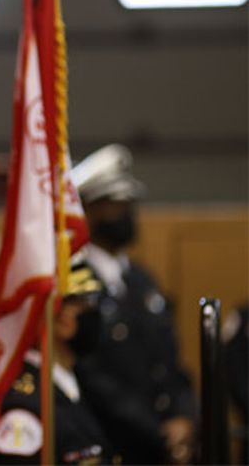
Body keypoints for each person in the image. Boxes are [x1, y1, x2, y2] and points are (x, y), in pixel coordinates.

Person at [71, 144, 198, 464]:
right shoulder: (77, 284)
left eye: (129, 203)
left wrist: (184, 416)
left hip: (167, 446)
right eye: (113, 204)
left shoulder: (142, 280)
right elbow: (91, 374)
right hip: (117, 446)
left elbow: (170, 361)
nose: (126, 213)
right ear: (87, 208)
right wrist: (156, 432)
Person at [0, 253, 117, 465]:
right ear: (57, 317)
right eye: (83, 303)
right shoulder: (25, 407)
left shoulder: (76, 380)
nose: (94, 313)